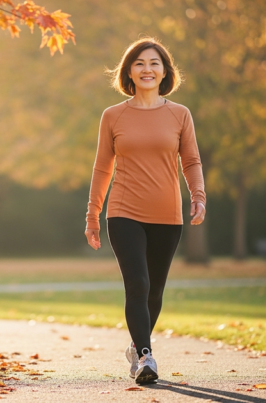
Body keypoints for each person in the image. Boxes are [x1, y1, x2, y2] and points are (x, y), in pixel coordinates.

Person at [84, 37, 206, 384]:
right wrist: (92, 215)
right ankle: (145, 359)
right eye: (139, 63)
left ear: (165, 71)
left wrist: (199, 196)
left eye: (154, 63)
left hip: (168, 214)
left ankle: (137, 344)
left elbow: (191, 160)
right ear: (129, 72)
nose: (147, 69)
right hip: (124, 211)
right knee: (137, 284)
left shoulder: (180, 114)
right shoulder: (113, 116)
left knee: (154, 291)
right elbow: (102, 168)